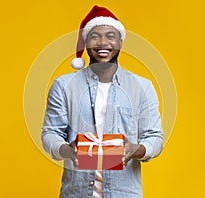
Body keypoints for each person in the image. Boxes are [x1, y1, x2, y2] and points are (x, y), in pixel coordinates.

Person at [42, 5, 164, 198]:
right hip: (76, 192)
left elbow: (155, 137)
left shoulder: (143, 86)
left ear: (120, 42)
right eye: (94, 36)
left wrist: (136, 149)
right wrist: (67, 150)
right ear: (85, 43)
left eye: (110, 36)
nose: (102, 43)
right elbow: (50, 133)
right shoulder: (63, 85)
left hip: (124, 193)